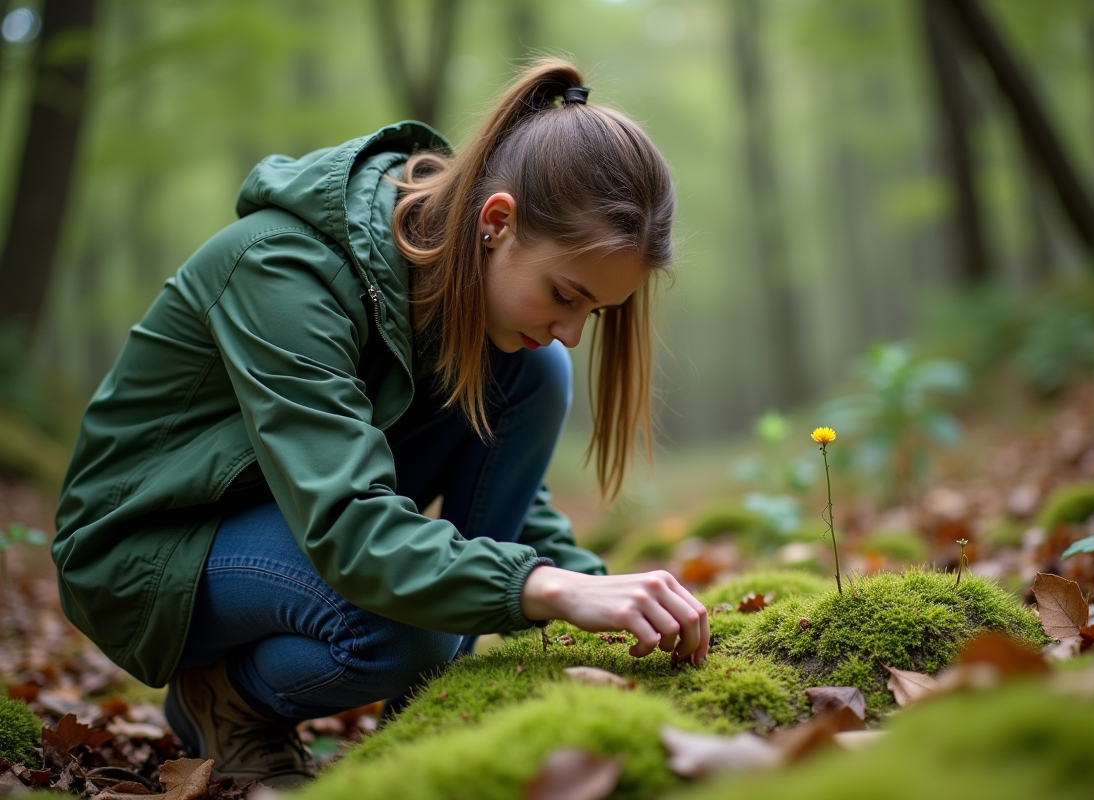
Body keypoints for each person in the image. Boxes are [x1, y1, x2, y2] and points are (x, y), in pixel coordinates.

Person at [51, 57, 709, 788]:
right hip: (152, 544)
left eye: (596, 312)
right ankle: (227, 697)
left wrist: (606, 598)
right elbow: (351, 526)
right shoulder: (285, 269)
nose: (574, 332)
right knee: (412, 626)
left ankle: (424, 717)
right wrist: (546, 588)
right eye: (566, 295)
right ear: (496, 222)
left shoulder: (466, 302)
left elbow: (503, 497)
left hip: (291, 513)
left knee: (537, 374)